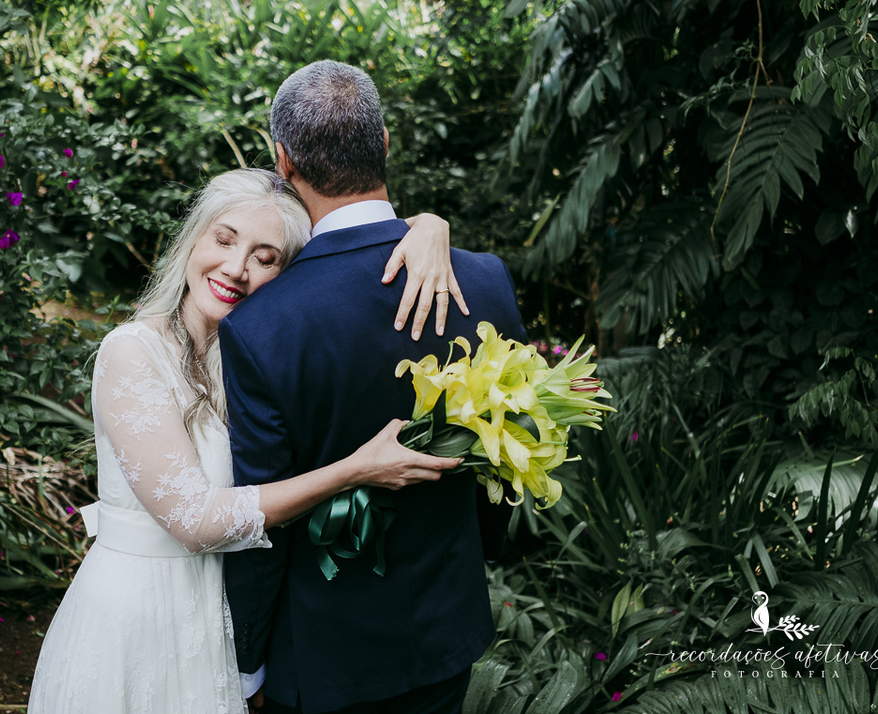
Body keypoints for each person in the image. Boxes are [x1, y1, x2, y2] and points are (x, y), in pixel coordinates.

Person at [27, 167, 467, 714]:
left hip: (218, 619)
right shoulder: (133, 351)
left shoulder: (250, 364)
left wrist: (428, 226)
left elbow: (353, 237)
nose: (235, 269)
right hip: (139, 616)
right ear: (194, 237)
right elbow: (196, 521)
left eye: (266, 257)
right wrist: (355, 470)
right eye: (224, 239)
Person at [220, 60, 528, 714]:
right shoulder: (487, 281)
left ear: (285, 162)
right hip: (445, 624)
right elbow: (512, 447)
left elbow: (260, 520)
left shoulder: (261, 326)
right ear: (386, 142)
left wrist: (248, 665)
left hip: (323, 654)